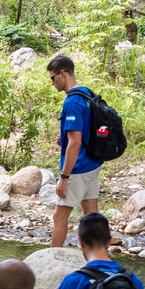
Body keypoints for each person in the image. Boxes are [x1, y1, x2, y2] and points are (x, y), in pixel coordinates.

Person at [47, 55, 102, 248]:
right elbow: (81, 133)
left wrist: (64, 177)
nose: (52, 83)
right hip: (92, 164)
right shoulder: (87, 94)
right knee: (91, 214)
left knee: (59, 216)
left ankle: (52, 262)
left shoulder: (71, 103)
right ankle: (98, 259)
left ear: (63, 73)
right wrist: (64, 139)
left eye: (52, 78)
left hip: (77, 168)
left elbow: (75, 143)